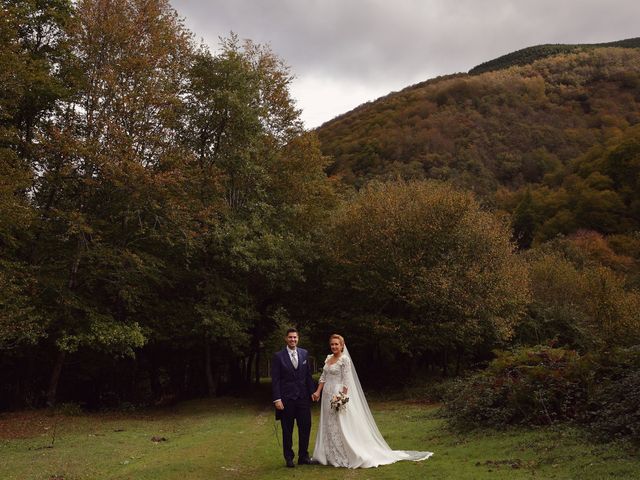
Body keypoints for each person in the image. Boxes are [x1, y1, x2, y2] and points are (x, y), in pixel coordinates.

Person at [311, 334, 433, 468]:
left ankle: (344, 455)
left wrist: (342, 398)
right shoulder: (328, 358)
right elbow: (323, 377)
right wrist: (318, 391)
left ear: (342, 345)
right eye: (332, 344)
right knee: (328, 424)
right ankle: (328, 455)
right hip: (327, 396)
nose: (334, 346)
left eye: (336, 344)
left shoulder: (344, 360)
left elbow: (346, 381)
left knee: (340, 425)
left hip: (338, 395)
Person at [271, 328, 316, 468]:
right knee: (287, 429)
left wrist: (313, 392)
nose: (293, 340)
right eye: (290, 337)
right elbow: (276, 380)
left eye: (295, 337)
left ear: (298, 338)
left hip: (303, 398)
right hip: (286, 399)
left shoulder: (304, 353)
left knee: (305, 427)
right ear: (286, 339)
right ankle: (289, 458)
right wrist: (277, 399)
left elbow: (308, 376)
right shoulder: (278, 356)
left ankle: (303, 456)